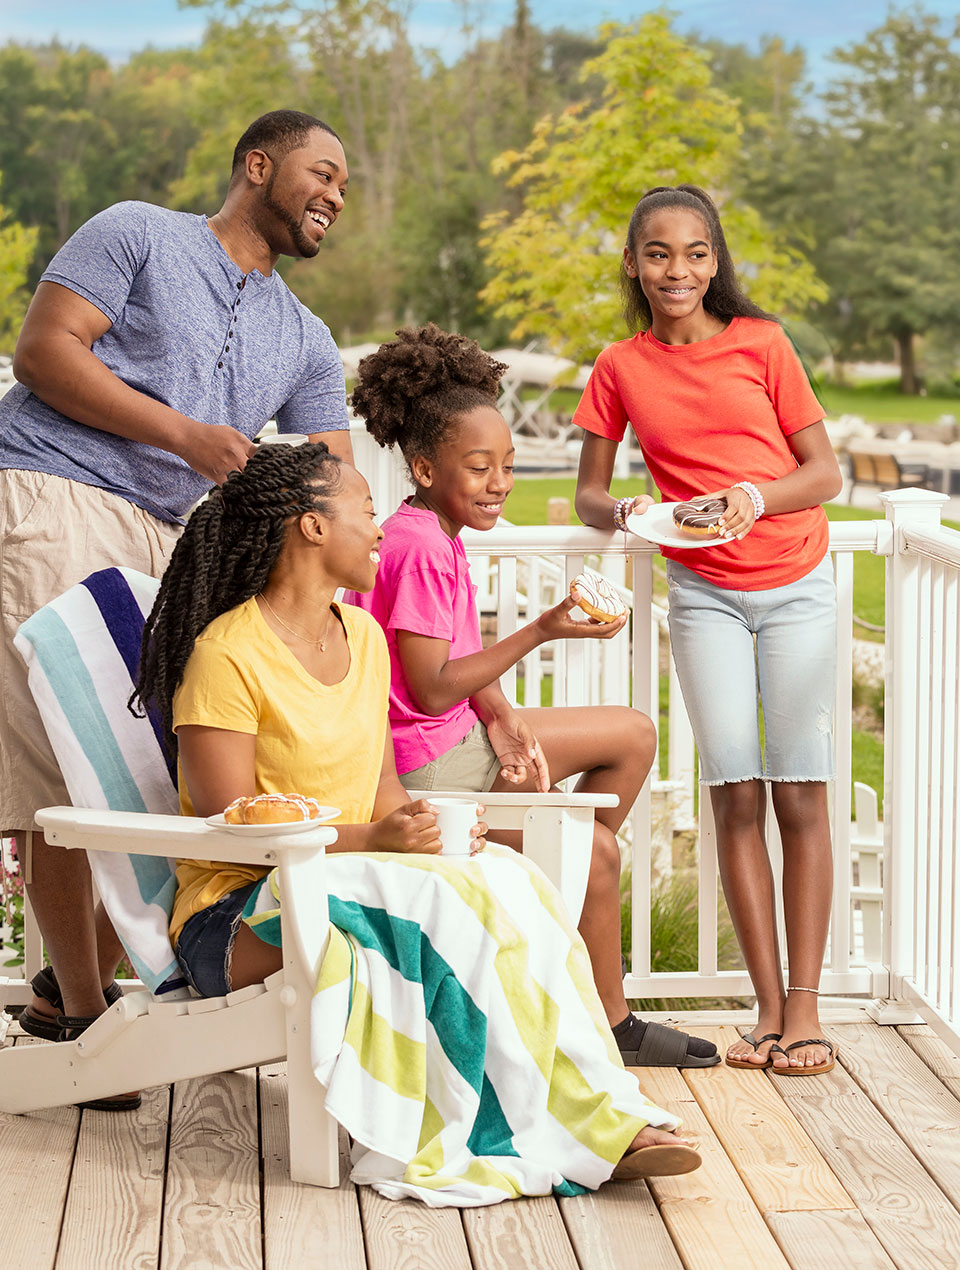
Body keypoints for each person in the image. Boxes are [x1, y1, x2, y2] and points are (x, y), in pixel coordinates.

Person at [132, 440, 701, 1203]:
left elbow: (382, 785)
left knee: (509, 882)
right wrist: (380, 841)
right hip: (238, 921)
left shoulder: (361, 638)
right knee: (440, 901)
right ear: (309, 527)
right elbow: (240, 826)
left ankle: (600, 1112)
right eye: (366, 511)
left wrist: (432, 827)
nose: (378, 529)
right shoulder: (226, 657)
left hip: (343, 878)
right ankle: (523, 1130)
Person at [1, 109, 353, 1062]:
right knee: (61, 765)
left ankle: (65, 985)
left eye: (344, 188)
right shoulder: (139, 232)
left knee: (153, 772)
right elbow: (44, 352)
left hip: (171, 544)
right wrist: (184, 435)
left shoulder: (307, 337)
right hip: (54, 492)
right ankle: (82, 1011)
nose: (333, 195)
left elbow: (335, 477)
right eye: (321, 173)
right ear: (257, 163)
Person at [348, 323, 720, 1070]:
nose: (500, 485)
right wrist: (544, 629)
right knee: (600, 852)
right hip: (426, 768)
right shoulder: (420, 548)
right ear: (423, 468)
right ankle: (602, 1001)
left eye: (508, 467)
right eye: (478, 468)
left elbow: (448, 665)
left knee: (633, 735)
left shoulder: (434, 532)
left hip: (459, 738)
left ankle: (544, 889)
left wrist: (507, 719)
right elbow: (425, 686)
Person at [573, 185, 843, 1075]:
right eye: (658, 253)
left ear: (715, 261)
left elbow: (825, 473)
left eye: (694, 253)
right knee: (734, 791)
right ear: (633, 263)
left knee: (800, 791)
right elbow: (588, 492)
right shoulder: (619, 366)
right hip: (704, 597)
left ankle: (805, 1008)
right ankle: (766, 1009)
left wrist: (756, 496)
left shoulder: (762, 344)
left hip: (797, 581)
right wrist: (626, 512)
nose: (676, 270)